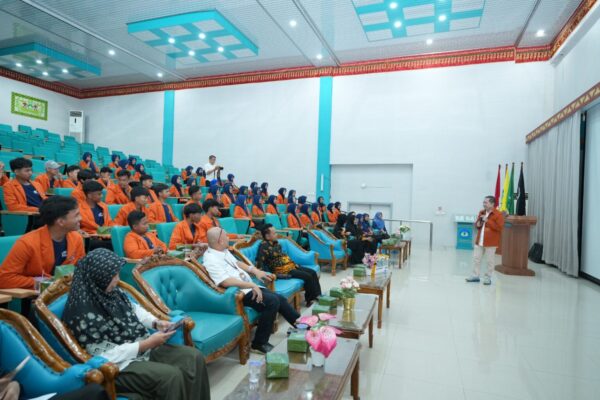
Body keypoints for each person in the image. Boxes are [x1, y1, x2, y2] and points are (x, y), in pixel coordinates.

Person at [62, 248, 210, 399]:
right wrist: (145, 345)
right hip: (119, 365)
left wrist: (156, 323)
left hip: (142, 347)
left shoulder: (110, 292)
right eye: (113, 276)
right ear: (99, 277)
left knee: (194, 357)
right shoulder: (81, 314)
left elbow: (134, 309)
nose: (117, 280)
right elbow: (102, 357)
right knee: (171, 377)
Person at [203, 227, 300, 354]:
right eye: (226, 236)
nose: (228, 238)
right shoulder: (211, 259)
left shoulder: (223, 250)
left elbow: (237, 263)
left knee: (279, 298)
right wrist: (251, 285)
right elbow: (225, 282)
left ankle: (301, 325)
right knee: (272, 302)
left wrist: (254, 270)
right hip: (236, 292)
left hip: (247, 287)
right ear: (220, 241)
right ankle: (258, 344)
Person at [0, 196, 85, 289]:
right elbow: (4, 278)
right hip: (35, 294)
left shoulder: (77, 238)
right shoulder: (27, 243)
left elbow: (80, 269)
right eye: (76, 215)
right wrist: (40, 283)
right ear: (61, 222)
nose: (80, 218)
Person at [257, 224, 322, 305]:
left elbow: (281, 256)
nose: (276, 234)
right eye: (274, 233)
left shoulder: (275, 243)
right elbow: (260, 263)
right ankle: (309, 300)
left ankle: (318, 295)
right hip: (283, 271)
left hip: (291, 266)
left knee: (313, 272)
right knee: (307, 276)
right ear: (267, 236)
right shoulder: (263, 247)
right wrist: (270, 275)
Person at [466, 196, 505, 285]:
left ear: (492, 204)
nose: (484, 204)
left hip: (491, 242)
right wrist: (478, 224)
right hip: (480, 241)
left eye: (486, 203)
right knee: (476, 259)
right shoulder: (482, 212)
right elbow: (477, 225)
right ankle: (475, 276)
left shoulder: (498, 215)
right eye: (483, 202)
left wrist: (487, 220)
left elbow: (499, 228)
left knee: (489, 261)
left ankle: (488, 278)